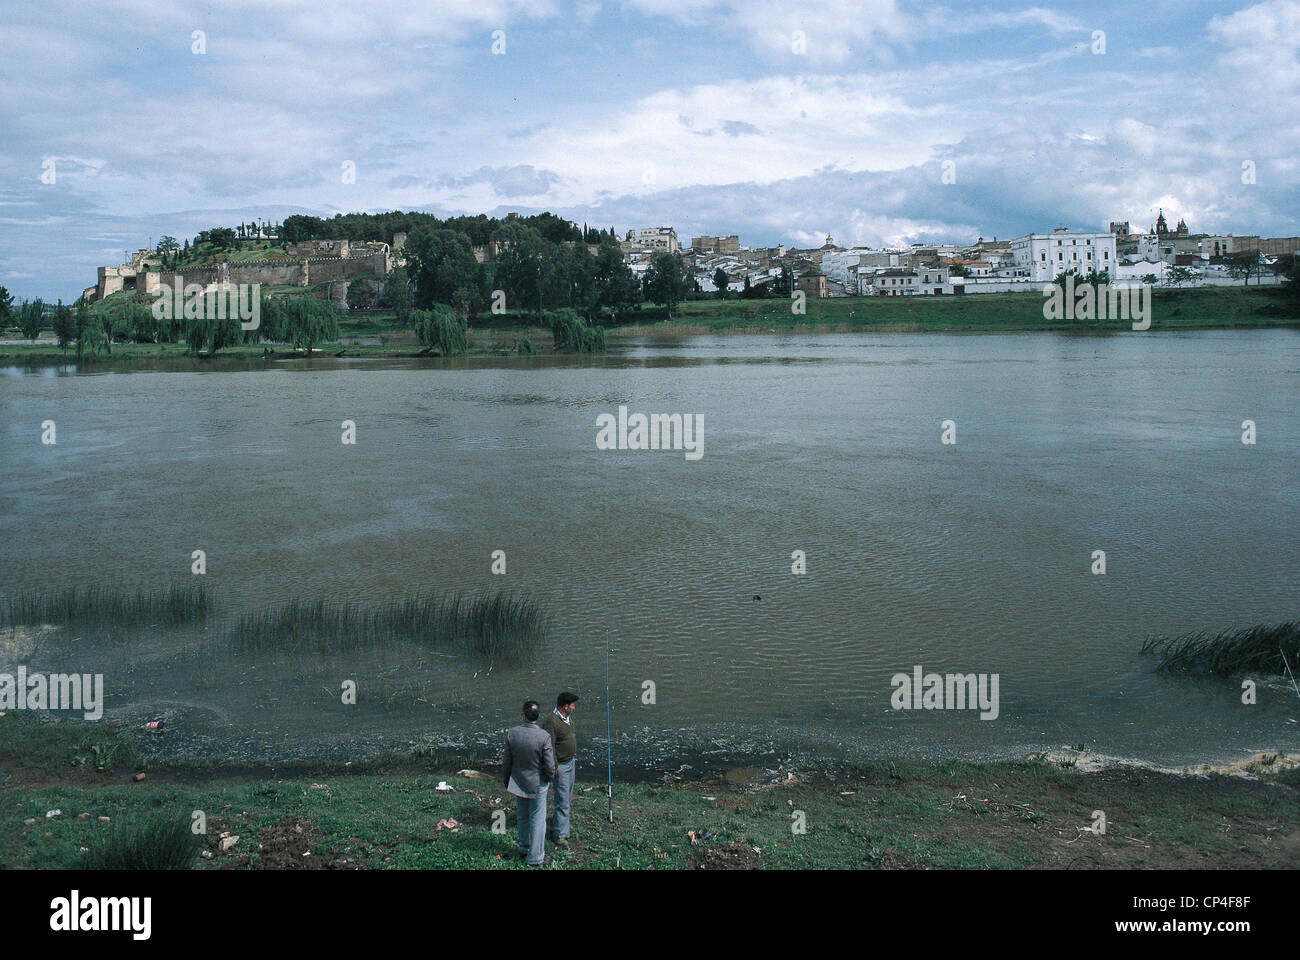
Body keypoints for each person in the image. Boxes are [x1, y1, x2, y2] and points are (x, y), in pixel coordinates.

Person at [503, 700, 557, 866]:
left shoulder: (512, 733)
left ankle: (524, 846)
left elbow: (507, 762)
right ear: (537, 716)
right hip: (538, 783)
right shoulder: (543, 736)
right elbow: (549, 765)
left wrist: (507, 781)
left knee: (523, 816)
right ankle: (535, 857)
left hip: (518, 781)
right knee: (538, 820)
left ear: (523, 715)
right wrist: (548, 778)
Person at [538, 691, 579, 848]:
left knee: (567, 796)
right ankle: (560, 835)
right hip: (560, 766)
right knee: (562, 799)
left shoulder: (567, 718)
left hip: (570, 763)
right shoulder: (551, 722)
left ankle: (560, 824)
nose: (574, 708)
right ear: (565, 706)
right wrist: (553, 765)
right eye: (573, 705)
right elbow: (548, 747)